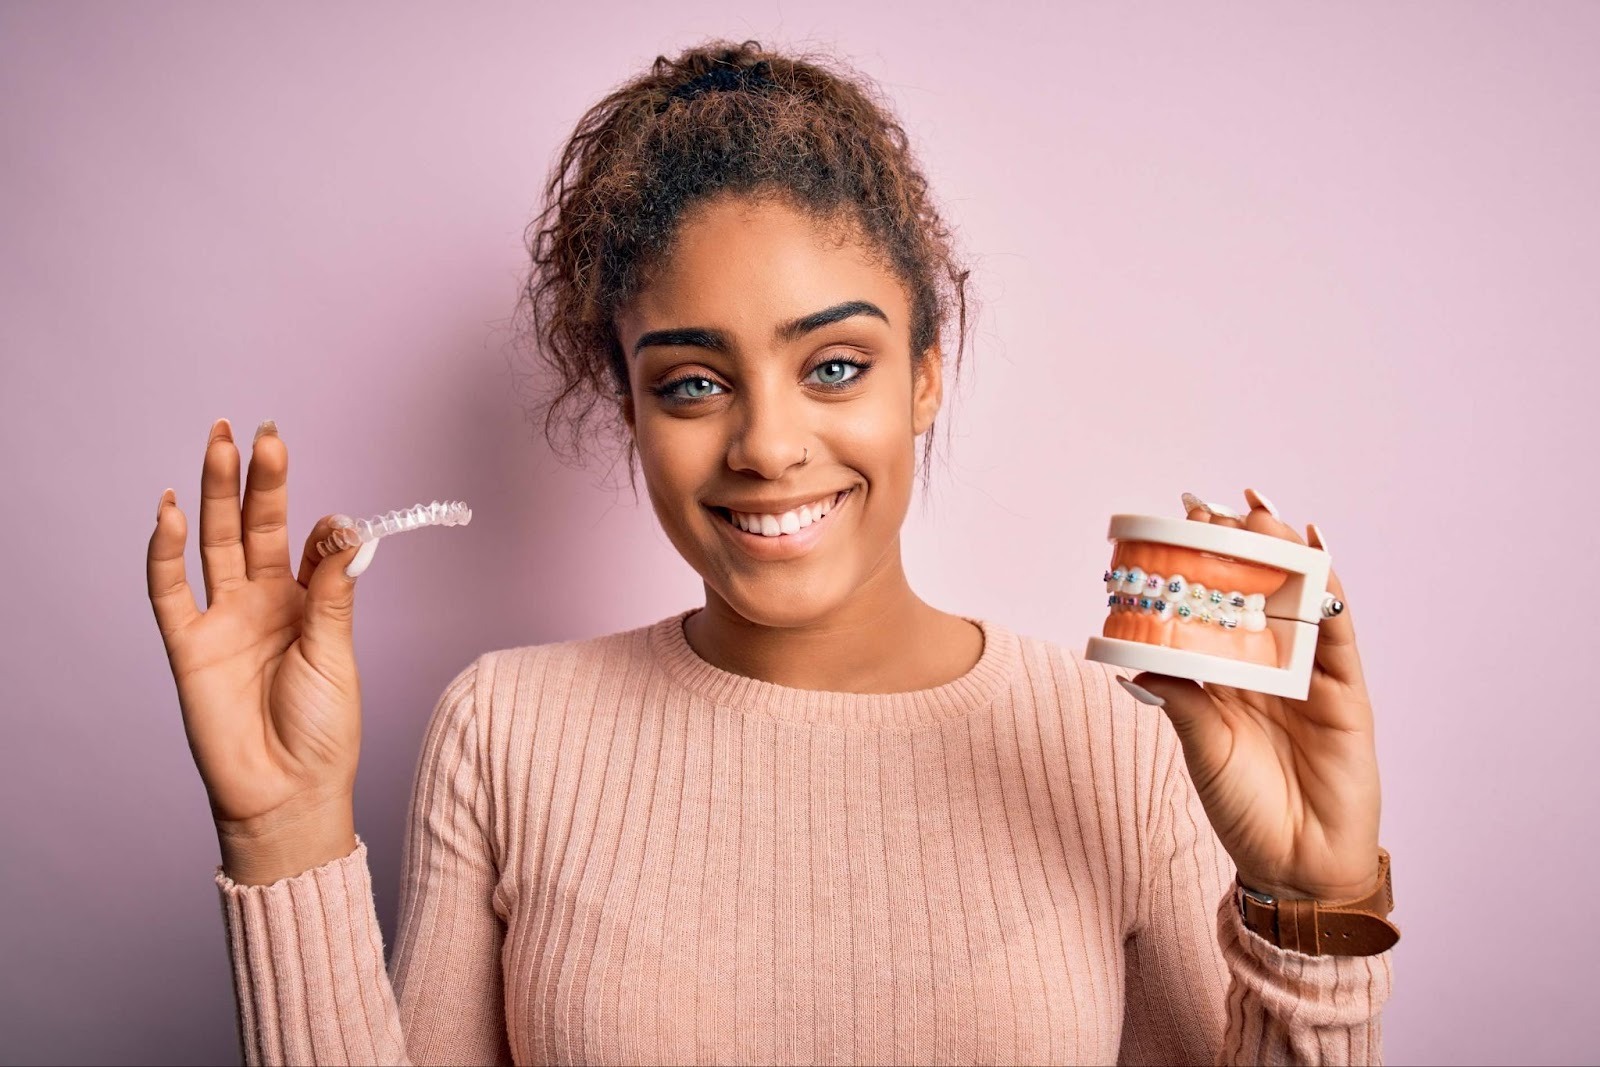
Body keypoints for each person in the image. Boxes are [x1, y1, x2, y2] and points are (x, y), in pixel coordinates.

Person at [145, 39, 1395, 1067]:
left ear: (925, 378)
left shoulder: (1124, 743)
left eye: (835, 365)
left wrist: (1310, 917)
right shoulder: (506, 731)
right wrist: (287, 832)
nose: (767, 443)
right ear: (629, 412)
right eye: (692, 382)